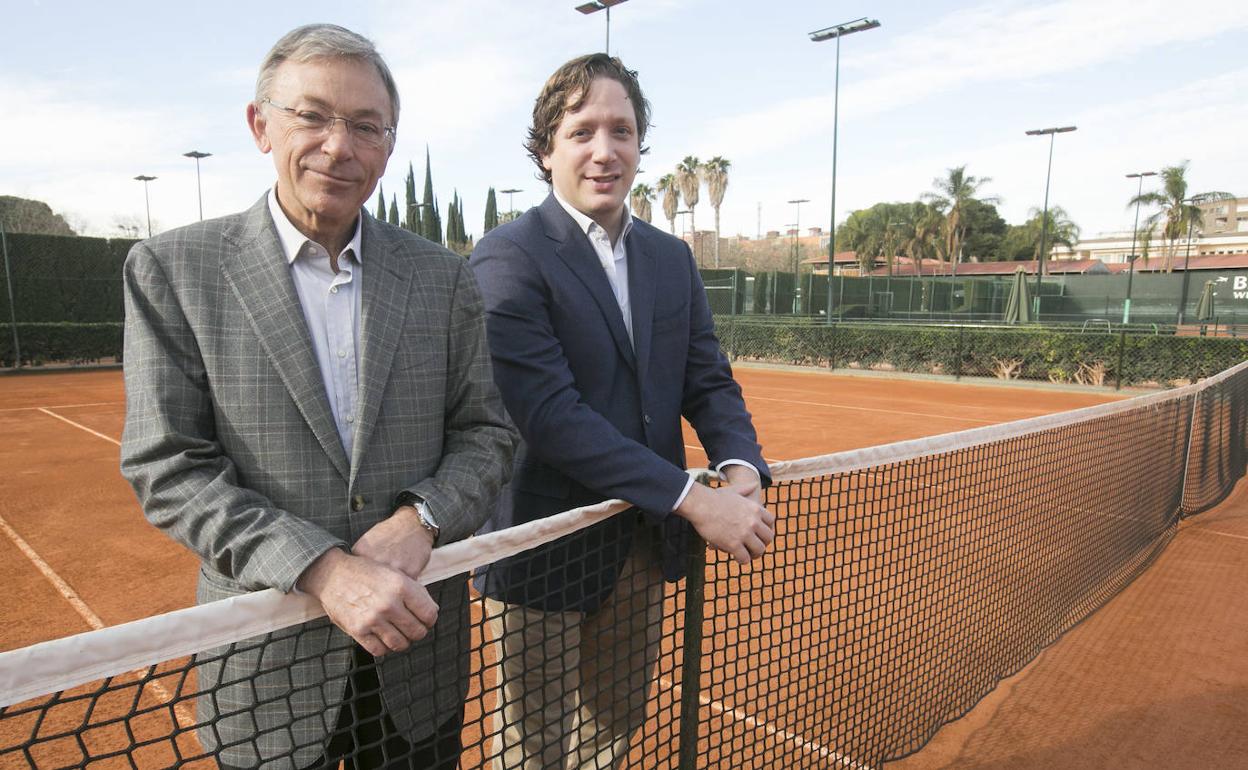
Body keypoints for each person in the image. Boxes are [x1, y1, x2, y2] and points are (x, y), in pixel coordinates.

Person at [120, 24, 517, 770]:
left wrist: (422, 518)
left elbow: (487, 434)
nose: (339, 146)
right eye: (312, 115)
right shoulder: (173, 270)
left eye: (366, 126)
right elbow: (168, 466)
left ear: (388, 147)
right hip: (268, 679)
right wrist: (326, 569)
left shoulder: (442, 277)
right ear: (259, 123)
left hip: (418, 661)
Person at [469, 53, 775, 769]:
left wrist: (739, 463)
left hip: (638, 549)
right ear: (547, 151)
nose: (604, 150)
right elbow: (550, 416)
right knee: (532, 746)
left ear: (641, 145)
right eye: (582, 131)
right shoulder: (506, 257)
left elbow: (708, 379)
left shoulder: (672, 259)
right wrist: (692, 502)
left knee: (612, 731)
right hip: (540, 553)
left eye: (622, 130)